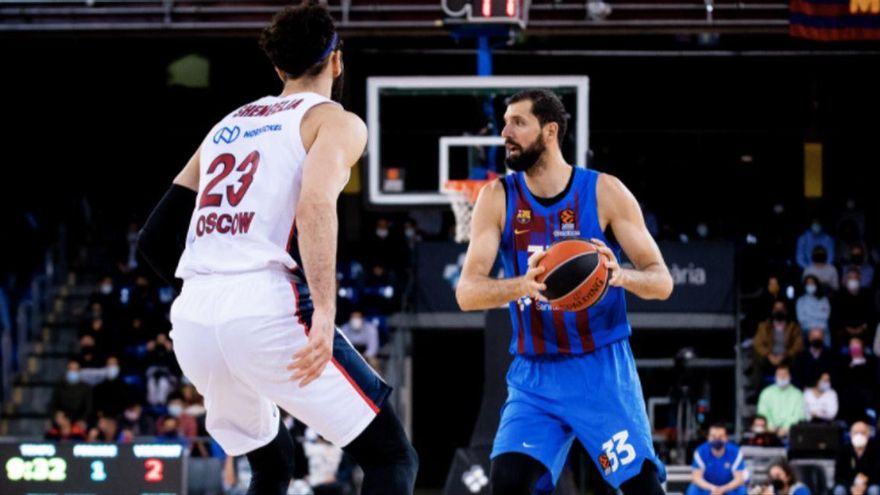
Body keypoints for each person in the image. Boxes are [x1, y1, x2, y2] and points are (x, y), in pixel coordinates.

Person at [137, 5, 417, 494]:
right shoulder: (335, 121)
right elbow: (314, 206)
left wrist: (212, 305)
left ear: (278, 68)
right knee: (391, 456)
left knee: (273, 460)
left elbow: (154, 240)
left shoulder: (228, 124)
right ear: (337, 61)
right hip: (266, 307)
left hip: (196, 317)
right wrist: (325, 313)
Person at [455, 89, 672, 494]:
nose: (505, 132)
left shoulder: (604, 191)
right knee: (508, 483)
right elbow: (467, 293)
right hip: (534, 377)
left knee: (641, 489)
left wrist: (619, 275)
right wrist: (524, 284)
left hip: (600, 372)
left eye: (518, 122)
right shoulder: (497, 197)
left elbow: (662, 282)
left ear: (550, 131)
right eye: (505, 122)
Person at [752, 301, 803, 389]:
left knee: (799, 360)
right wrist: (769, 355)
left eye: (781, 309)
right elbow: (757, 343)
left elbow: (798, 345)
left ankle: (797, 390)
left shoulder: (793, 327)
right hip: (769, 357)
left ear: (786, 311)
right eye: (776, 309)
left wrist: (784, 355)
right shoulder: (764, 326)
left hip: (786, 357)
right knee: (757, 359)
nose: (779, 311)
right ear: (772, 311)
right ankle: (757, 391)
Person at [685, 423, 747, 495]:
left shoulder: (735, 452)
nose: (717, 439)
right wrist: (713, 489)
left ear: (726, 438)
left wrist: (722, 489)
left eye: (720, 436)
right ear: (708, 437)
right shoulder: (700, 451)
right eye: (713, 436)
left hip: (729, 488)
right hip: (707, 487)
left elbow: (739, 479)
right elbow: (696, 477)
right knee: (693, 490)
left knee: (741, 490)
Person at [757, 365, 805, 438]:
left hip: (791, 432)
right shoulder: (766, 393)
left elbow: (799, 415)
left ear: (790, 376)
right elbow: (762, 413)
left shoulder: (798, 394)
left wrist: (786, 428)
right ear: (775, 376)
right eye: (779, 374)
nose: (782, 377)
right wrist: (771, 427)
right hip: (769, 431)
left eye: (785, 374)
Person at [833, 421, 879, 495]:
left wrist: (863, 486)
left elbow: (877, 475)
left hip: (869, 485)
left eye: (863, 433)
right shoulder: (843, 450)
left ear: (868, 434)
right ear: (850, 434)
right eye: (856, 433)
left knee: (874, 490)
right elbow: (838, 476)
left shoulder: (875, 450)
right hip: (849, 485)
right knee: (839, 490)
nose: (859, 435)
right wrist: (853, 487)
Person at [48, 359, 93, 425]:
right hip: (62, 420)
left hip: (79, 421)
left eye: (75, 369)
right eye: (71, 369)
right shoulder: (60, 387)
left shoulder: (86, 388)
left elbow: (89, 408)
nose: (73, 372)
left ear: (79, 371)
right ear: (67, 370)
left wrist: (83, 420)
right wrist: (56, 417)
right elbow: (53, 405)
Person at [796, 276, 831, 345]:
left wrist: (809, 312)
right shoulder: (800, 300)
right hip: (806, 329)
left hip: (822, 328)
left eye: (812, 283)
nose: (810, 285)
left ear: (816, 285)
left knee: (826, 337)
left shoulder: (824, 299)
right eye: (808, 283)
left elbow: (826, 316)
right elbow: (801, 319)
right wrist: (818, 313)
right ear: (805, 286)